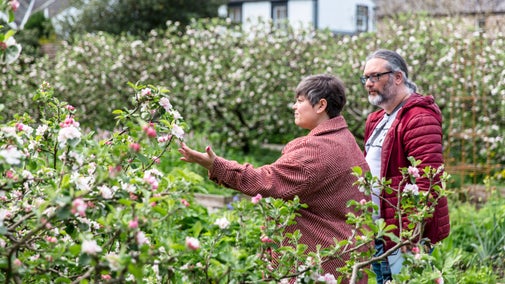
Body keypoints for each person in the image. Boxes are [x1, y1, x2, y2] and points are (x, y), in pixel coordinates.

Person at [178, 74, 370, 282]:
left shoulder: (317, 150)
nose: (294, 107)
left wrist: (216, 165)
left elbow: (266, 181)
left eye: (300, 100)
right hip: (345, 254)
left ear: (320, 105)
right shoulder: (344, 138)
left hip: (320, 261)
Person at [361, 49, 451, 283]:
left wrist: (410, 233)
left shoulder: (418, 117)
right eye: (365, 78)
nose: (368, 84)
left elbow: (428, 179)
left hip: (402, 233)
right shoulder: (377, 119)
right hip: (380, 230)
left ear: (398, 77)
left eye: (375, 76)